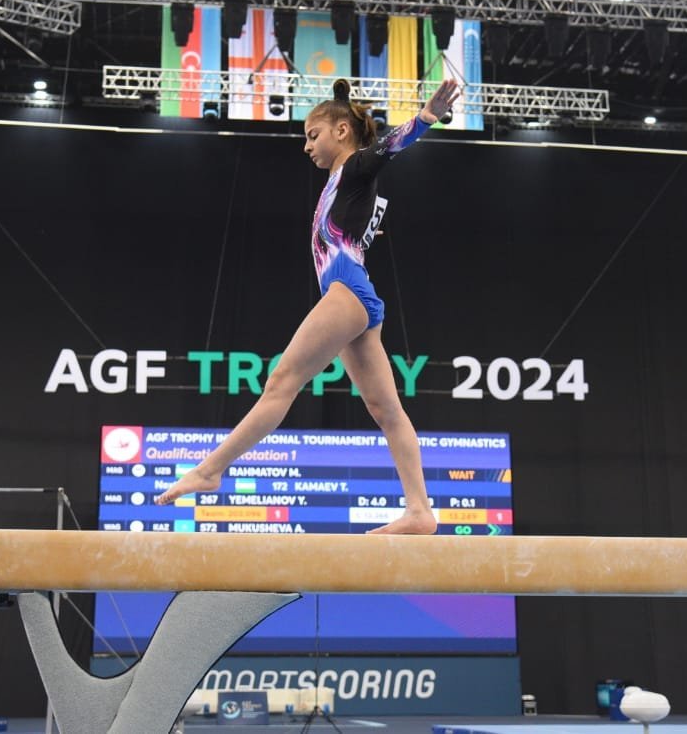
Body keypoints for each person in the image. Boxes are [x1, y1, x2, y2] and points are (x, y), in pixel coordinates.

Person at [155, 77, 463, 535]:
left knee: (281, 382)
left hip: (346, 290)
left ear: (341, 131)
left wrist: (425, 117)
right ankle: (419, 510)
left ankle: (210, 469)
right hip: (356, 295)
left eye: (312, 135)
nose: (306, 147)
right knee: (388, 410)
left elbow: (390, 148)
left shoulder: (357, 166)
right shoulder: (349, 182)